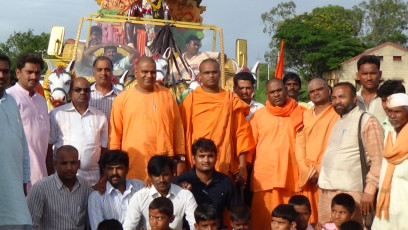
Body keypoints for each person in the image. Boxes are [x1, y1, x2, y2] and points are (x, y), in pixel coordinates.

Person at [179, 58, 255, 186]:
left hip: (223, 160)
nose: (211, 76)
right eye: (207, 73)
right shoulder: (190, 100)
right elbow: (180, 134)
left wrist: (242, 166)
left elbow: (242, 134)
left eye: (214, 72)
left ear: (220, 74)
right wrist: (181, 161)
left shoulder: (230, 99)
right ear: (200, 76)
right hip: (196, 161)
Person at [109, 56, 186, 181]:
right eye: (145, 72)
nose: (149, 75)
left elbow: (177, 128)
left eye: (153, 72)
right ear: (136, 72)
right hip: (134, 163)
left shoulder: (167, 95)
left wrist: (181, 159)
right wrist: (114, 166)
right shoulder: (122, 99)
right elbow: (114, 135)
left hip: (164, 162)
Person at [317, 82, 383, 226]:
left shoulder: (366, 120)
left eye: (342, 97)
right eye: (334, 98)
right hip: (328, 192)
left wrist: (370, 191)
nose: (337, 102)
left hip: (352, 195)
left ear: (354, 99)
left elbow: (378, 161)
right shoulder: (339, 121)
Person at [250, 78, 306, 230]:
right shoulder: (259, 115)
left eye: (279, 90)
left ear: (286, 90)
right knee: (263, 221)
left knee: (289, 220)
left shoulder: (300, 113)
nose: (276, 94)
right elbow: (249, 146)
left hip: (291, 176)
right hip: (265, 177)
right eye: (272, 92)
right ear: (267, 94)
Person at [48, 77, 108, 185]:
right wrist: (50, 173)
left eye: (86, 90)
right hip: (62, 179)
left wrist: (103, 176)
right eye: (78, 89)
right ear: (70, 92)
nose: (82, 93)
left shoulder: (100, 116)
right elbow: (48, 146)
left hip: (92, 179)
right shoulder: (57, 114)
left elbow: (104, 149)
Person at [295, 78, 339, 222]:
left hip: (329, 173)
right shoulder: (305, 115)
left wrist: (321, 170)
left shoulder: (338, 114)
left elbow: (339, 146)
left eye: (319, 89)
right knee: (309, 217)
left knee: (328, 217)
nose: (315, 93)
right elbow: (299, 144)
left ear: (329, 90)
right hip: (308, 175)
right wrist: (306, 170)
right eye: (312, 91)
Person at [6, 53, 51, 189]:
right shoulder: (9, 98)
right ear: (18, 73)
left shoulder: (42, 101)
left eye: (37, 73)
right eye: (29, 72)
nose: (34, 76)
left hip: (41, 174)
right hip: (20, 175)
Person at [173, 138, 240, 228]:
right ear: (193, 158)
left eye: (210, 156)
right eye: (202, 156)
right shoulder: (182, 181)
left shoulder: (225, 181)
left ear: (216, 157)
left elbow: (237, 212)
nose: (206, 160)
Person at [0, 54, 32, 229]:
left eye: (5, 71)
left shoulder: (12, 101)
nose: (1, 76)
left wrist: (24, 180)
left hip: (13, 186)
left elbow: (22, 145)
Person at [123, 155, 197, 230]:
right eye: (157, 175)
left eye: (165, 175)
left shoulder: (185, 195)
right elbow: (128, 227)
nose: (162, 180)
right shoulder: (139, 197)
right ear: (150, 176)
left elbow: (194, 225)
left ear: (173, 174)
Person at [27, 145, 92, 229]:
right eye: (64, 163)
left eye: (73, 163)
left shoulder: (85, 186)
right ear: (55, 164)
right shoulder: (40, 188)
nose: (69, 167)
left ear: (78, 164)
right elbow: (31, 225)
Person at [372, 93, 408, 229]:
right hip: (386, 204)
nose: (392, 116)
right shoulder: (389, 133)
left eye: (398, 112)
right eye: (390, 111)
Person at [88, 150, 145, 229]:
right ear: (104, 171)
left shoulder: (140, 187)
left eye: (119, 168)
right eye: (110, 169)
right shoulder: (96, 197)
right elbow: (97, 228)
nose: (114, 172)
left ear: (127, 169)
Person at [356, 55, 387, 123]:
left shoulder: (388, 98)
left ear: (380, 74)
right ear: (358, 75)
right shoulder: (353, 99)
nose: (369, 78)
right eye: (365, 74)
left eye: (373, 73)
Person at [90, 56, 122, 120]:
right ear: (94, 73)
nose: (103, 73)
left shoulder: (121, 96)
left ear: (112, 73)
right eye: (99, 70)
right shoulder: (86, 94)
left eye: (107, 70)